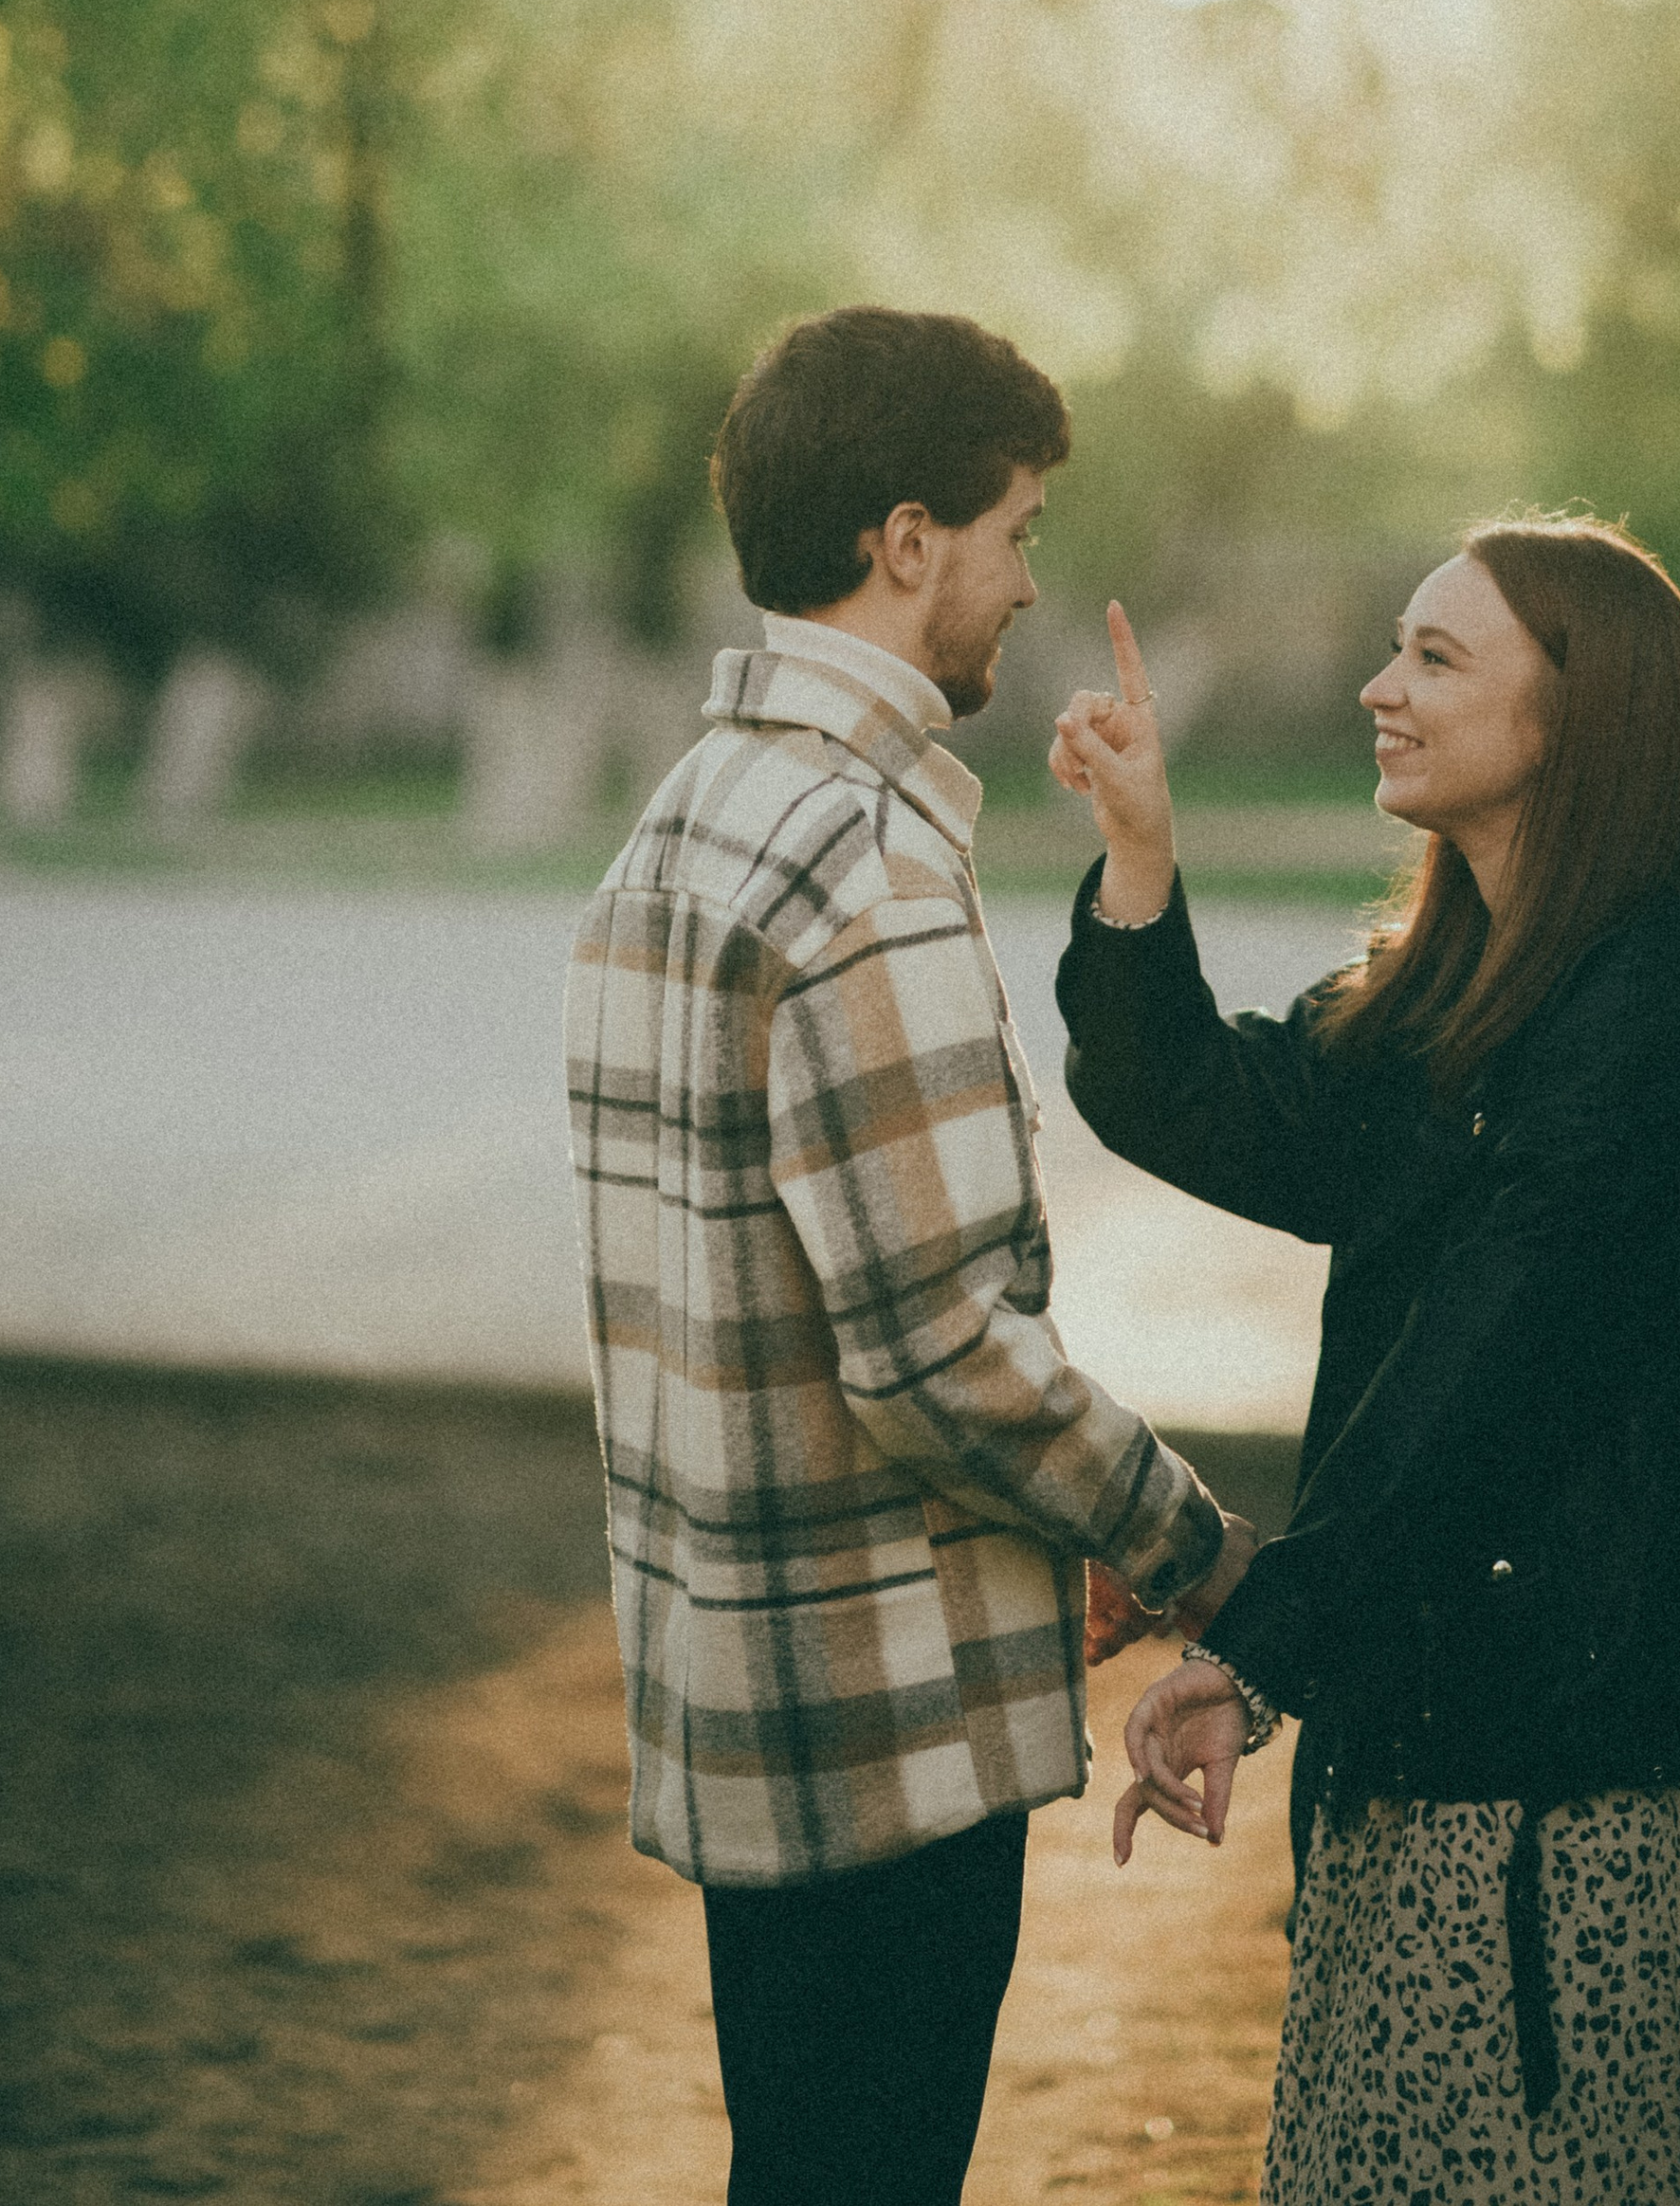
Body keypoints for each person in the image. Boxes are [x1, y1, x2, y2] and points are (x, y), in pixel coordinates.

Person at [565, 305, 1252, 2206]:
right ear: (905, 539)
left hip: (747, 1696)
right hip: (885, 1740)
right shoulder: (859, 861)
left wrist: (1037, 1534)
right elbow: (939, 1349)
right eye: (1015, 531)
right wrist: (1187, 1548)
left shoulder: (682, 821)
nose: (1028, 581)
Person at [1050, 519, 1680, 2205]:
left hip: (1577, 1790)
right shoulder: (1452, 985)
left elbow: (1490, 1369)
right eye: (1397, 646)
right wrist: (1141, 853)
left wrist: (1255, 1650)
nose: (1380, 688)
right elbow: (1204, 1106)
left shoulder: (1659, 1002)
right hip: (1429, 1742)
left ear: (1577, 715)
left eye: (1436, 658)